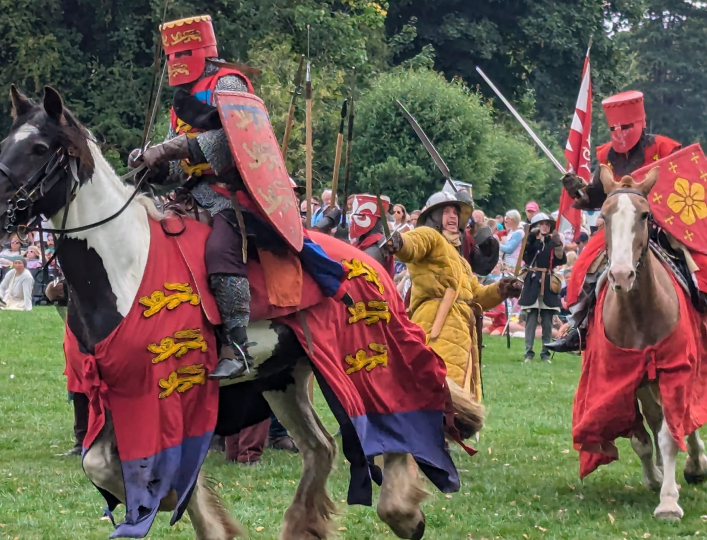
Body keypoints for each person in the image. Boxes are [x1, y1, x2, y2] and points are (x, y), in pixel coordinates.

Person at [130, 15, 346, 380]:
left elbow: (232, 143)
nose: (175, 62)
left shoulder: (229, 83)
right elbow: (181, 169)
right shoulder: (180, 101)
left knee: (219, 251)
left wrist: (167, 148)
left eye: (182, 52)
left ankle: (237, 345)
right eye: (170, 56)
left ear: (200, 50)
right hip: (195, 194)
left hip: (241, 194)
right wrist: (152, 166)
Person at [547, 90, 681, 353]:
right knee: (584, 267)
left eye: (625, 126)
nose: (619, 131)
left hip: (659, 225)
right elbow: (597, 196)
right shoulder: (607, 156)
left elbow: (682, 186)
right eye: (613, 127)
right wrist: (580, 191)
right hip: (619, 227)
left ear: (639, 123)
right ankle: (580, 327)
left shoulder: (664, 148)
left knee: (697, 262)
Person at [383, 190, 522, 401]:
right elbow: (413, 244)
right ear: (434, 217)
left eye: (455, 213)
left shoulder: (462, 263)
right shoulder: (430, 236)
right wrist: (399, 243)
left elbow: (476, 296)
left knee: (456, 396)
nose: (453, 216)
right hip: (435, 325)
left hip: (462, 331)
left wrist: (502, 289)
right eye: (446, 211)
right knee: (435, 393)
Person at [519, 213, 566, 362]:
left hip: (548, 284)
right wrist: (530, 238)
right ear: (537, 226)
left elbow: (561, 260)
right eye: (542, 224)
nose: (544, 226)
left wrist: (558, 245)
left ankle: (545, 353)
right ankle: (528, 353)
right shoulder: (532, 242)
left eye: (547, 224)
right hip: (533, 282)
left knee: (547, 321)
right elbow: (525, 257)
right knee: (531, 319)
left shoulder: (553, 242)